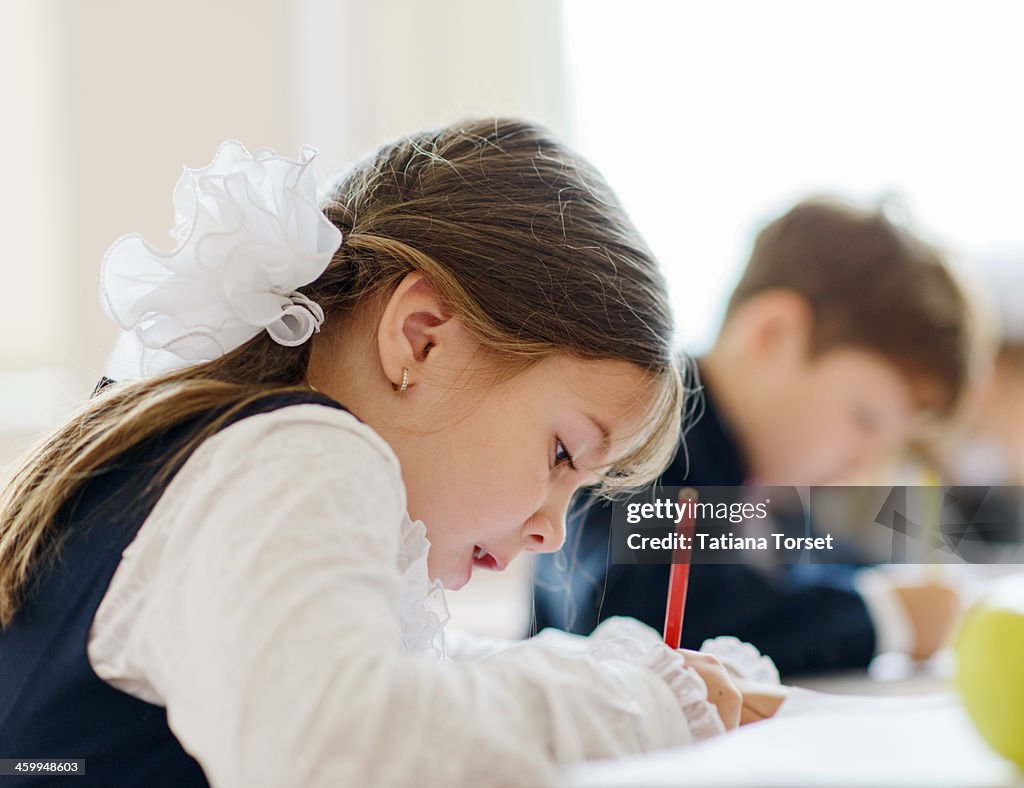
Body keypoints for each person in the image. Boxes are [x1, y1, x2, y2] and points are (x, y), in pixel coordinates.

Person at [0, 120, 787, 787]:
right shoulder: (294, 453)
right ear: (421, 340)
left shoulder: (222, 454)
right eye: (560, 454)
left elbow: (409, 680)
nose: (552, 529)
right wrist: (643, 701)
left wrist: (636, 670)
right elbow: (343, 745)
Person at [534, 197, 972, 675]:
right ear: (773, 334)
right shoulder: (649, 432)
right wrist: (884, 618)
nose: (868, 461)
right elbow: (637, 611)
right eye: (865, 419)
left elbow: (802, 574)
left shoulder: (757, 476)